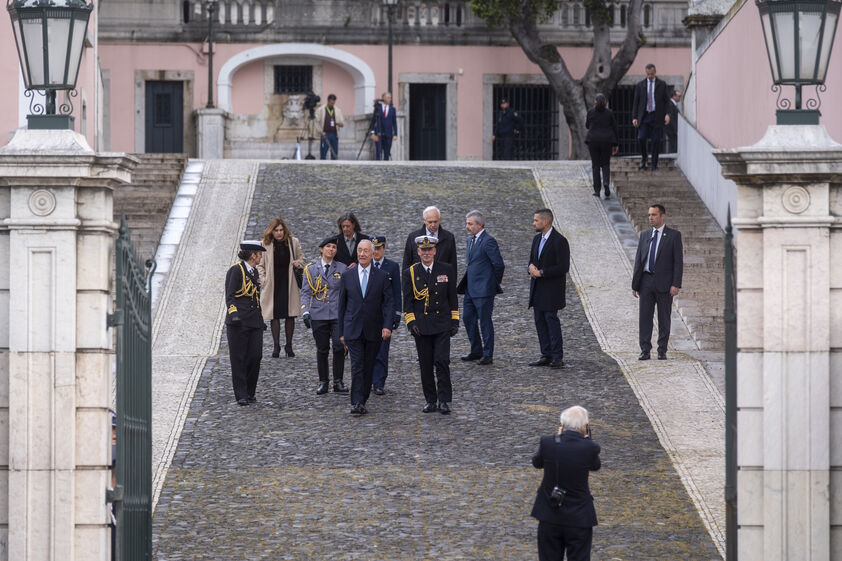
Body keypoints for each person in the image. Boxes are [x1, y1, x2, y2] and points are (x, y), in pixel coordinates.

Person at [531, 405, 601, 561]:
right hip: (579, 516)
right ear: (584, 427)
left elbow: (537, 462)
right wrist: (587, 438)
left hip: (549, 514)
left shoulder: (547, 442)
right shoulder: (590, 447)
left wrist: (556, 438)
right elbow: (596, 466)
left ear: (562, 425)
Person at [403, 236, 459, 414]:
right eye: (423, 250)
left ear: (435, 251)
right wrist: (411, 323)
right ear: (418, 252)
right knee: (426, 365)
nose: (426, 253)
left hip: (442, 324)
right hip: (422, 326)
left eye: (429, 250)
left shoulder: (446, 269)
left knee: (442, 361)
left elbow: (452, 297)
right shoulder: (410, 272)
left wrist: (455, 320)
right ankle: (430, 400)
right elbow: (408, 302)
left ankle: (444, 400)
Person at [338, 239, 394, 415]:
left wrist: (387, 326)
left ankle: (363, 398)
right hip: (353, 329)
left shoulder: (382, 276)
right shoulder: (347, 276)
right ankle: (356, 402)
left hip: (373, 329)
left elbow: (388, 304)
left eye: (366, 251)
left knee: (368, 365)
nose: (362, 254)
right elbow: (342, 306)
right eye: (360, 251)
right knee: (357, 365)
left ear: (372, 254)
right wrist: (341, 332)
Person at [631, 204, 684, 360]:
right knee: (645, 317)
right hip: (646, 281)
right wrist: (635, 284)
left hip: (665, 283)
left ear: (662, 216)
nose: (650, 218)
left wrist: (676, 284)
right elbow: (639, 260)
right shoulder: (645, 235)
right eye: (649, 215)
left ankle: (662, 350)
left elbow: (678, 262)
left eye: (654, 215)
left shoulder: (674, 236)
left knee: (664, 318)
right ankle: (645, 350)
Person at [300, 236, 348, 395]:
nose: (331, 250)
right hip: (318, 314)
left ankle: (338, 381)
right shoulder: (311, 269)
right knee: (322, 349)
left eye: (334, 247)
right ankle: (323, 381)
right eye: (328, 246)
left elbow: (347, 293)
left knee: (339, 346)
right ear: (321, 249)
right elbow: (306, 292)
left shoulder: (342, 268)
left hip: (336, 315)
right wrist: (305, 311)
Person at [458, 210, 505, 365]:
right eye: (467, 223)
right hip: (470, 289)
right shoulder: (469, 240)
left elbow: (498, 265)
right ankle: (476, 350)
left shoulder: (488, 241)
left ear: (479, 225)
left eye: (470, 224)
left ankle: (487, 353)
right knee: (467, 318)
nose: (467, 227)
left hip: (484, 290)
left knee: (485, 321)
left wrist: (491, 284)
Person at [225, 240, 267, 406]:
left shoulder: (254, 272)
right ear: (253, 255)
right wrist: (234, 314)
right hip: (239, 321)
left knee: (256, 356)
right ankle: (241, 394)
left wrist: (260, 319)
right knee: (239, 358)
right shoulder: (236, 270)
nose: (261, 257)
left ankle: (251, 391)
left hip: (254, 321)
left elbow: (255, 297)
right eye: (259, 254)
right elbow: (230, 295)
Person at [528, 209, 570, 369]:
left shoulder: (559, 241)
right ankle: (546, 354)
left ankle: (557, 356)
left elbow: (563, 267)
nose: (534, 223)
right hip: (537, 289)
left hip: (552, 290)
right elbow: (532, 260)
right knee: (539, 321)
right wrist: (531, 268)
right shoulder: (536, 239)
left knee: (551, 321)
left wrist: (542, 272)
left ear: (546, 222)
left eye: (536, 220)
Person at [257, 217, 305, 358]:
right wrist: (263, 280)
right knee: (275, 315)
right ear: (271, 232)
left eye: (281, 230)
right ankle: (276, 345)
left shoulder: (292, 242)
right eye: (276, 230)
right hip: (273, 284)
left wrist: (298, 263)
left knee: (290, 315)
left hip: (289, 283)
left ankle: (289, 345)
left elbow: (302, 258)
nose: (279, 233)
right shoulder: (265, 244)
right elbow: (260, 265)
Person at [370, 235, 403, 395]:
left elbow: (397, 292)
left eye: (378, 248)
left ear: (384, 248)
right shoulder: (364, 265)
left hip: (385, 315)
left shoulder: (392, 266)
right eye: (373, 248)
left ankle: (379, 382)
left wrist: (397, 314)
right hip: (368, 315)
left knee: (382, 351)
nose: (375, 252)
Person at [631, 64, 671, 171]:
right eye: (648, 74)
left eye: (652, 74)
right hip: (644, 116)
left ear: (655, 72)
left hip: (656, 116)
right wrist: (634, 117)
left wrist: (667, 114)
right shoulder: (640, 85)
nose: (650, 76)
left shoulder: (662, 84)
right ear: (646, 73)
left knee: (656, 141)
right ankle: (644, 158)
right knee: (641, 137)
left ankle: (654, 165)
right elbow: (636, 103)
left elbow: (667, 101)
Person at [401, 206, 458, 275]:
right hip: (418, 281)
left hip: (441, 282)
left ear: (440, 220)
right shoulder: (413, 237)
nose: (433, 225)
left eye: (435, 222)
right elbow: (406, 265)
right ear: (424, 220)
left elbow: (453, 266)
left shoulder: (449, 238)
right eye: (430, 222)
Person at [585, 93, 619, 198]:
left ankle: (597, 190)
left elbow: (587, 125)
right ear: (605, 102)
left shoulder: (590, 112)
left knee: (595, 165)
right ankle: (606, 183)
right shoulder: (609, 113)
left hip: (593, 140)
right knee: (605, 164)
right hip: (606, 141)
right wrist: (616, 143)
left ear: (595, 102)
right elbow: (615, 127)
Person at [369, 92, 398, 161]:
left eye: (390, 97)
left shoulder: (392, 109)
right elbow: (373, 121)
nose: (390, 99)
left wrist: (395, 134)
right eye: (388, 97)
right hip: (377, 134)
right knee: (378, 151)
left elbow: (394, 122)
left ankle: (386, 167)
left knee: (387, 152)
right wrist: (372, 133)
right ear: (383, 98)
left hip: (389, 134)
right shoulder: (377, 108)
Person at [314, 93, 344, 160]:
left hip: (334, 134)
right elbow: (316, 121)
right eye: (331, 103)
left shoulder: (338, 110)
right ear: (328, 101)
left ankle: (334, 167)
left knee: (334, 153)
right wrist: (320, 131)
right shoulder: (321, 109)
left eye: (333, 103)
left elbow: (342, 123)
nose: (332, 104)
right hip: (325, 134)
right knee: (323, 153)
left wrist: (340, 124)